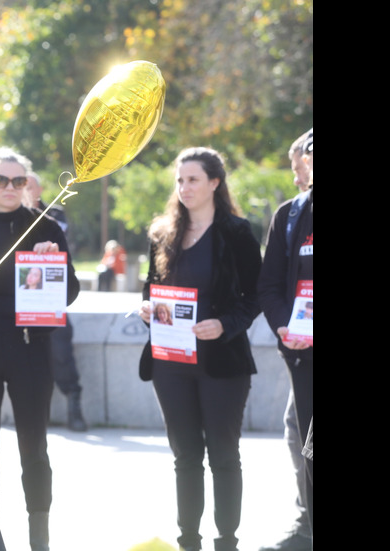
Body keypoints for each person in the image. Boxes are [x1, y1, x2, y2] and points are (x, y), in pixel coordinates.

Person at [0, 147, 80, 551]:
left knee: (34, 444)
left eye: (19, 180)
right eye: (2, 180)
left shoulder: (45, 227)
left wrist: (54, 263)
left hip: (31, 349)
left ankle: (38, 538)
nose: (11, 187)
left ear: (28, 185)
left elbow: (70, 293)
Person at [137, 147, 262, 551]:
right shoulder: (162, 232)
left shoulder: (238, 232)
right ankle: (188, 541)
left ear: (214, 183)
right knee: (185, 457)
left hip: (221, 361)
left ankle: (227, 541)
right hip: (170, 362)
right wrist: (145, 308)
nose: (184, 187)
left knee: (224, 455)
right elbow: (150, 290)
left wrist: (224, 324)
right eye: (180, 180)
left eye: (193, 179)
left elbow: (254, 296)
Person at [257, 129, 313, 550]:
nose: (297, 179)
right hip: (302, 354)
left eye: (299, 168)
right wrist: (283, 326)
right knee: (300, 435)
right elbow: (270, 286)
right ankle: (307, 523)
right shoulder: (290, 216)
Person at [22, 171, 87, 433]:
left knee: (61, 352)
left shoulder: (53, 216)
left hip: (49, 298)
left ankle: (74, 404)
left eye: (26, 185)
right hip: (21, 298)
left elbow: (59, 238)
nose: (21, 190)